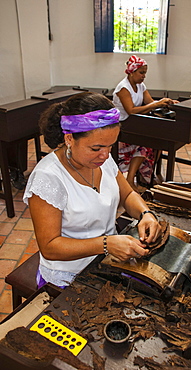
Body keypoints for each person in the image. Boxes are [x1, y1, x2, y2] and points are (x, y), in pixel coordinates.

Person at [23, 92, 162, 289]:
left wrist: (145, 214)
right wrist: (106, 244)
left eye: (110, 146)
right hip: (71, 272)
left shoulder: (101, 159)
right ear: (70, 138)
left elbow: (128, 194)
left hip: (107, 260)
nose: (105, 155)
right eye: (96, 148)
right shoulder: (48, 178)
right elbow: (50, 248)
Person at [113, 55, 179, 192]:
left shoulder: (140, 86)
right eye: (141, 73)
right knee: (145, 144)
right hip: (122, 127)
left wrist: (166, 102)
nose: (144, 76)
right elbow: (131, 110)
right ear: (131, 71)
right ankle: (130, 180)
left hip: (134, 124)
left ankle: (146, 177)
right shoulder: (123, 88)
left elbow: (150, 103)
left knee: (156, 141)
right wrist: (157, 104)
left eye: (145, 73)